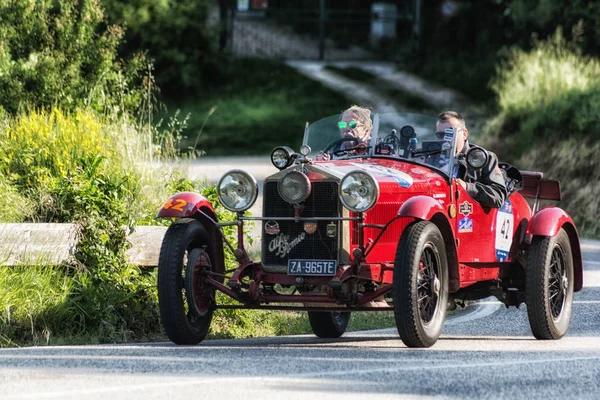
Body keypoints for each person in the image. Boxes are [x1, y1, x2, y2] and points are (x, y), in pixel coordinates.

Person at [436, 111, 507, 208]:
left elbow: (498, 196)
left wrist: (466, 187)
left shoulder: (485, 158)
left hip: (467, 216)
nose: (444, 139)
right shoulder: (430, 158)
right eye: (440, 135)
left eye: (450, 133)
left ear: (464, 134)